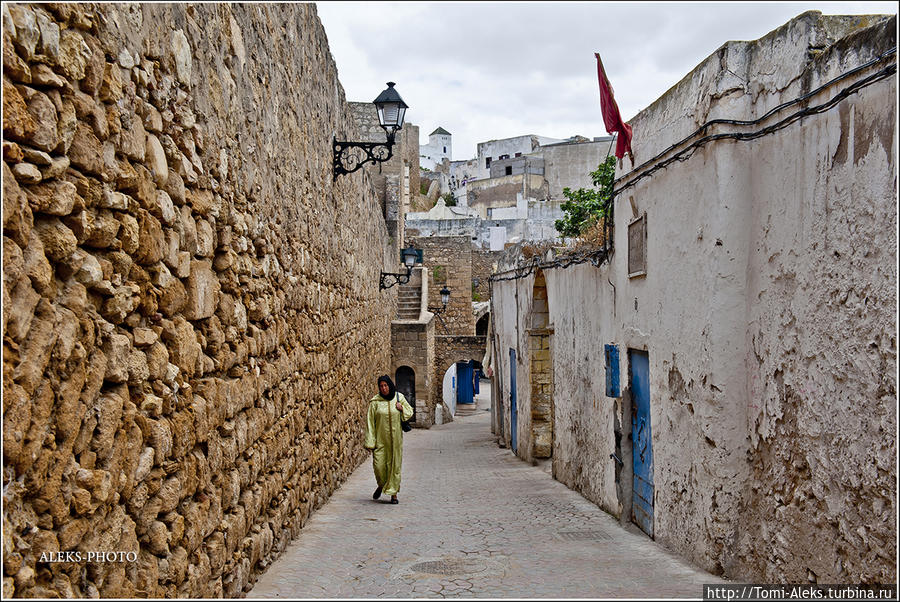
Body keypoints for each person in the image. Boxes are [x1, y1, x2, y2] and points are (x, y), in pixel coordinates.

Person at [364, 375, 414, 504]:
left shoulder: (399, 398)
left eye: (385, 385)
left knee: (394, 466)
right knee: (379, 466)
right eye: (381, 386)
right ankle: (381, 485)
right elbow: (370, 423)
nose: (384, 388)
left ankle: (394, 494)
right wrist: (370, 441)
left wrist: (401, 408)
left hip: (395, 441)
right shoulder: (375, 402)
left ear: (390, 385)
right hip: (380, 441)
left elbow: (410, 412)